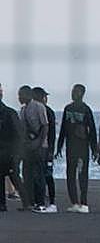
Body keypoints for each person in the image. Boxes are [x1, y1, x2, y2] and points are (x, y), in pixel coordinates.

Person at [56, 84, 98, 213]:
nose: (73, 93)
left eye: (76, 91)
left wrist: (94, 148)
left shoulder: (86, 109)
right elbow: (63, 128)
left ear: (82, 94)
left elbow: (92, 130)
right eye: (73, 91)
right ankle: (74, 202)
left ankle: (84, 203)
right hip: (70, 147)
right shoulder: (68, 108)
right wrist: (59, 146)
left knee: (82, 175)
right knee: (70, 174)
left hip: (82, 148)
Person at [18, 85, 49, 212]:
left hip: (40, 146)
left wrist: (39, 143)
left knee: (39, 175)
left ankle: (40, 202)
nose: (19, 98)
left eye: (21, 95)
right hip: (27, 146)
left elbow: (45, 126)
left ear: (28, 95)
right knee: (27, 174)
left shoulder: (38, 107)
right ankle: (29, 202)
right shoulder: (23, 110)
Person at [0, 83, 26, 211]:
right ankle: (2, 204)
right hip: (6, 151)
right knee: (12, 176)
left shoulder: (9, 113)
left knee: (14, 176)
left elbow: (19, 134)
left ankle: (27, 203)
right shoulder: (9, 112)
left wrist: (17, 153)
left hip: (9, 151)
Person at [33, 87, 56, 209]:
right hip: (42, 148)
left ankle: (51, 201)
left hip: (46, 148)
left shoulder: (48, 111)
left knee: (47, 175)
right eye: (44, 96)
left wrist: (51, 150)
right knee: (40, 175)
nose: (45, 99)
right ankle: (39, 200)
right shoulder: (37, 110)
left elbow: (51, 132)